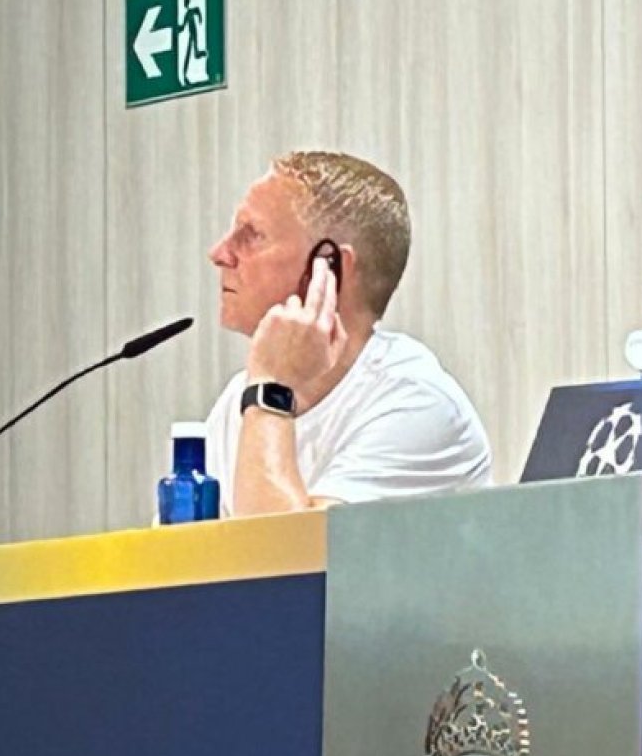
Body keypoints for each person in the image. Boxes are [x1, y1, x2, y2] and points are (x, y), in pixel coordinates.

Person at [204, 150, 492, 516]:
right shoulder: (239, 399)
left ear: (331, 269)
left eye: (253, 235)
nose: (219, 253)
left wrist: (270, 393)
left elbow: (289, 559)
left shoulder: (419, 403)